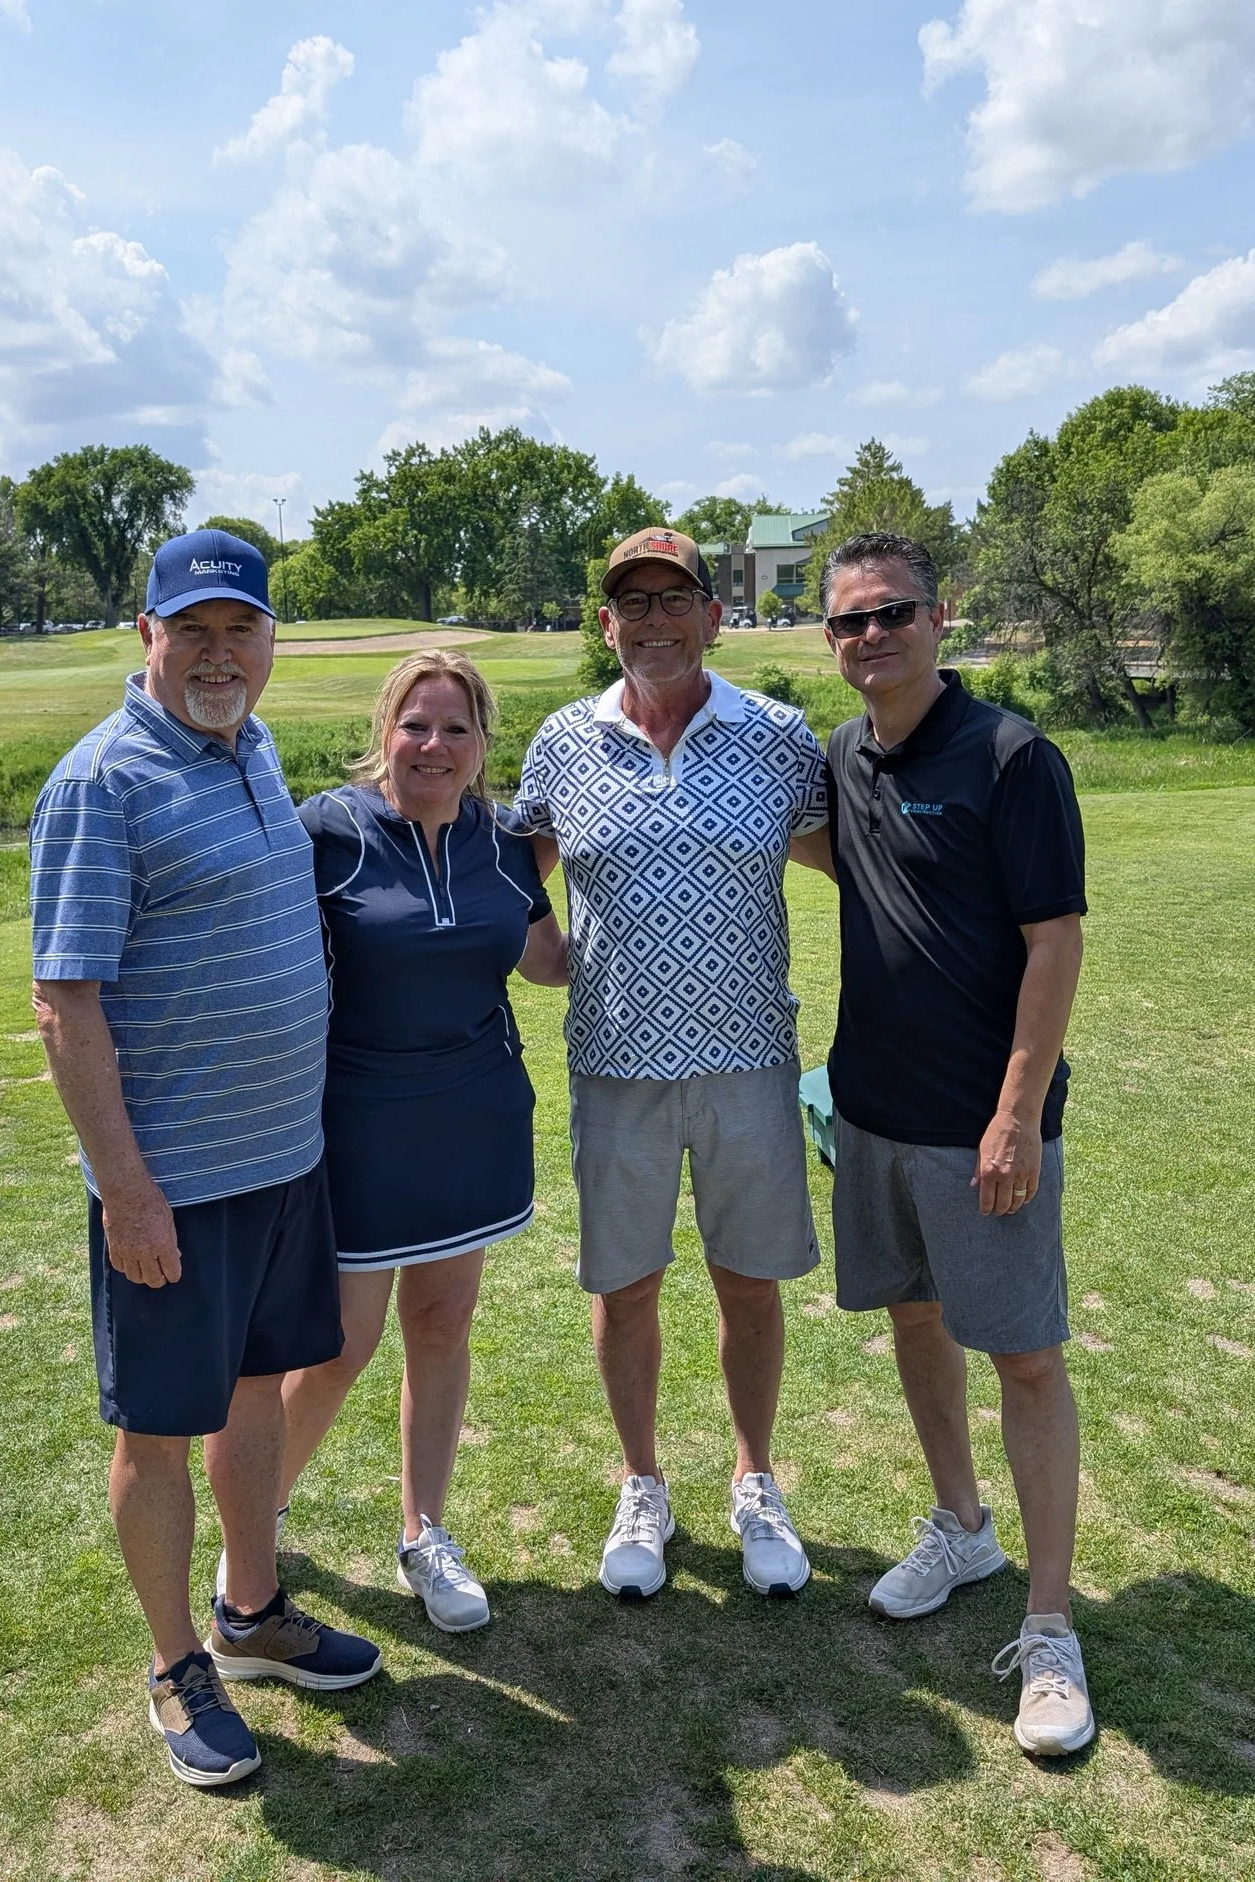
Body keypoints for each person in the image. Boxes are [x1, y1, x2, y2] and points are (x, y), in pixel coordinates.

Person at [29, 527, 382, 1791]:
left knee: (250, 1398)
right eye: (194, 633)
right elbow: (66, 1004)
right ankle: (176, 1664)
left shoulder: (249, 746)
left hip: (284, 1162)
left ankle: (250, 1613)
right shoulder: (101, 783)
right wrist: (127, 1189)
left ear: (270, 641)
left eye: (243, 631)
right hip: (176, 1186)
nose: (219, 656)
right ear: (147, 638)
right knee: (159, 1432)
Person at [513, 524, 835, 1601]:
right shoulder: (564, 740)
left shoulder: (779, 737)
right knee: (626, 1285)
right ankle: (643, 1483)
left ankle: (754, 1478)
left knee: (748, 1281)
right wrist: (546, 951)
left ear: (711, 613)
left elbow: (857, 862)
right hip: (614, 1063)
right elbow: (516, 865)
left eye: (673, 600)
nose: (653, 622)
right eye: (630, 604)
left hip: (749, 1055)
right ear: (606, 624)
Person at [815, 530, 1095, 1758]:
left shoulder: (1010, 755)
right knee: (913, 1321)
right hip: (871, 1113)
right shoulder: (841, 759)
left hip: (983, 1127)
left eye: (893, 613)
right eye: (848, 621)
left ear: (941, 618)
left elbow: (1054, 941)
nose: (870, 635)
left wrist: (1014, 1112)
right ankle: (959, 1525)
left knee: (1025, 1359)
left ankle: (1049, 1627)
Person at [269, 650, 572, 1633]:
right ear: (384, 731)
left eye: (454, 728)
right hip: (357, 1124)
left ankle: (424, 1532)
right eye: (415, 723)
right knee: (339, 1347)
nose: (432, 745)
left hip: (474, 1116)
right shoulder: (328, 829)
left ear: (483, 744)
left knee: (442, 1324)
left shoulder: (502, 842)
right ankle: (252, 1520)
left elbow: (545, 961)